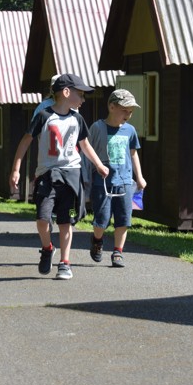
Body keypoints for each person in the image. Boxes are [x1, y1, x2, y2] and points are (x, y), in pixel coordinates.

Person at [9, 73, 109, 280]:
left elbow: (85, 145)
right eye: (80, 94)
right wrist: (16, 169)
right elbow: (25, 141)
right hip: (47, 175)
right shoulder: (43, 116)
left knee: (66, 221)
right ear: (66, 92)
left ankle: (65, 263)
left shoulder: (77, 119)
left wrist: (99, 164)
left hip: (71, 175)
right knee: (42, 219)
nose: (83, 100)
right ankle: (47, 248)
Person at [87, 89, 147, 268]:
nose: (128, 115)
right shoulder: (97, 128)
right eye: (124, 110)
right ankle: (97, 240)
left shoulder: (130, 130)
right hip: (103, 182)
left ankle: (118, 252)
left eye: (130, 112)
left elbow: (133, 154)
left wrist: (139, 177)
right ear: (111, 107)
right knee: (102, 219)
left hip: (125, 182)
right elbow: (87, 151)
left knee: (123, 219)